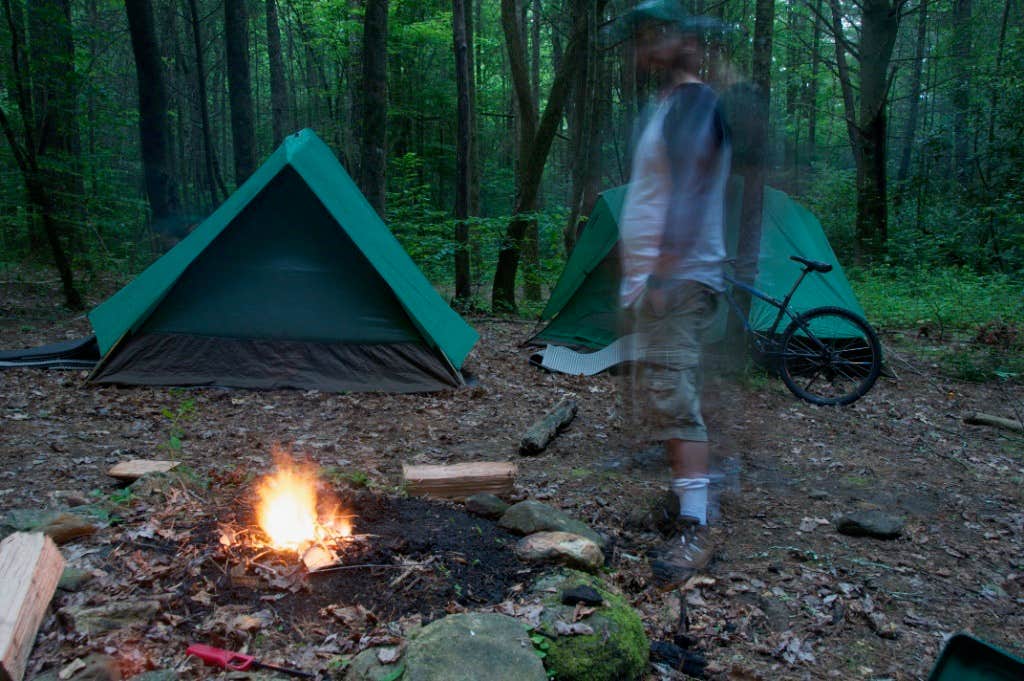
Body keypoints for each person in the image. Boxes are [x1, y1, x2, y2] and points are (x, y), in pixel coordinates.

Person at [617, 0, 732, 586]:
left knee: (673, 394)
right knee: (665, 394)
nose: (642, 50)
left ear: (677, 41)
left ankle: (694, 526)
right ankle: (682, 503)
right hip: (664, 281)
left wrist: (661, 271)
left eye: (651, 38)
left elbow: (688, 191)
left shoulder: (691, 103)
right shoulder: (671, 105)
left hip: (677, 281)